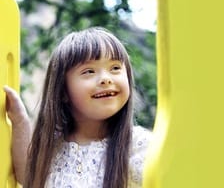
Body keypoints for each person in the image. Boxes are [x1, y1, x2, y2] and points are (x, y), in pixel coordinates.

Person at [4, 27, 152, 188]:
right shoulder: (53, 145)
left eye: (115, 68)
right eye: (89, 71)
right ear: (63, 91)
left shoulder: (140, 145)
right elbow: (28, 176)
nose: (106, 79)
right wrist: (19, 122)